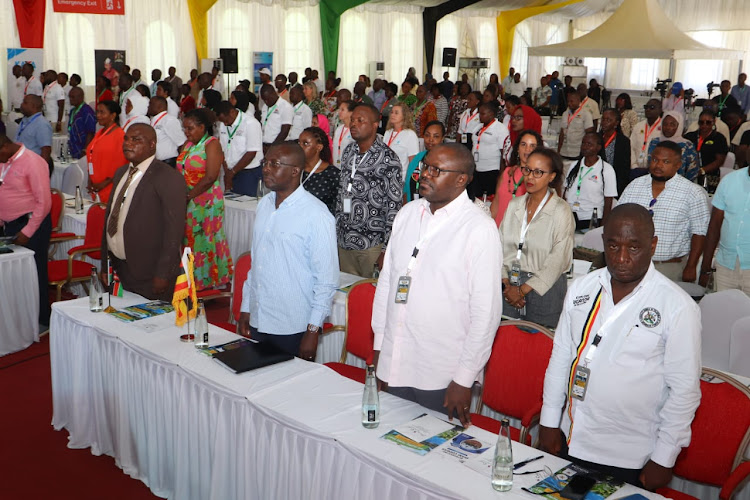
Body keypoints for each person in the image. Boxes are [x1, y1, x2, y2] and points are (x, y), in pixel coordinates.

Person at [540, 203, 701, 490]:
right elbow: (561, 356)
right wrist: (550, 420)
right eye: (613, 246)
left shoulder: (677, 306)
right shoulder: (582, 288)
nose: (622, 258)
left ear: (652, 245)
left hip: (632, 455)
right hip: (572, 437)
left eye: (634, 248)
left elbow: (684, 391)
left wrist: (664, 458)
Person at [372, 142, 502, 425]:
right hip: (395, 358)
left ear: (461, 180)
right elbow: (387, 283)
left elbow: (486, 314)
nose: (425, 175)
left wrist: (464, 379)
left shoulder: (478, 229)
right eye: (424, 167)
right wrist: (380, 344)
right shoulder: (408, 213)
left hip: (441, 372)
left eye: (436, 170)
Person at [238, 141, 338, 359]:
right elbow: (257, 265)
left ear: (295, 171)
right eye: (266, 162)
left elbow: (326, 280)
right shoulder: (264, 205)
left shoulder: (317, 215)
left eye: (275, 164)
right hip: (259, 315)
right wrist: (247, 307)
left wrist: (313, 330)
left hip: (292, 326)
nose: (265, 168)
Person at [101, 124, 187, 301]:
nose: (128, 144)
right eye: (126, 139)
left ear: (152, 145)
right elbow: (111, 219)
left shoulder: (168, 177)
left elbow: (174, 231)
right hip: (119, 269)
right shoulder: (121, 173)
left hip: (149, 273)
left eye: (136, 140)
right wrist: (105, 265)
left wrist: (163, 273)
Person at [500, 148, 573, 327]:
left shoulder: (560, 210)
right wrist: (506, 284)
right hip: (509, 285)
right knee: (508, 342)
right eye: (527, 170)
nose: (530, 177)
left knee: (538, 346)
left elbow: (558, 260)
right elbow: (498, 247)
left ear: (551, 177)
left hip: (544, 289)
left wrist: (522, 290)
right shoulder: (514, 205)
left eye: (538, 172)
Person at [619, 141, 710, 282]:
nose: (658, 165)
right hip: (633, 265)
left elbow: (699, 233)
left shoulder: (693, 192)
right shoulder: (634, 186)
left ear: (678, 165)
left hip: (670, 268)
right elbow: (618, 219)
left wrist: (691, 266)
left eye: (666, 162)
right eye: (655, 160)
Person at [336, 104, 402, 277]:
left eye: (360, 120)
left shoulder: (388, 159)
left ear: (375, 124)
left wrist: (386, 250)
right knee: (346, 297)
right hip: (344, 241)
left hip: (371, 244)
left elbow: (394, 208)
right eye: (352, 120)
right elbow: (342, 194)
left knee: (368, 298)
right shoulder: (349, 151)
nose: (353, 124)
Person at [177, 109, 233, 290]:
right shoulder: (188, 145)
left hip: (206, 202)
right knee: (190, 241)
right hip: (188, 200)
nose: (187, 132)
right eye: (185, 128)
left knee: (206, 241)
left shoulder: (212, 144)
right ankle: (193, 280)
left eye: (190, 128)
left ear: (202, 127)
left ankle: (209, 283)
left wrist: (189, 196)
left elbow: (210, 176)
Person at [0, 133, 52, 327]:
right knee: (13, 274)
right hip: (9, 224)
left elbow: (44, 203)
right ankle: (19, 317)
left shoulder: (33, 162)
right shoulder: (4, 160)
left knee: (34, 273)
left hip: (31, 225)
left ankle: (41, 319)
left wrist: (28, 231)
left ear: (4, 148)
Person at [700, 165, 750, 296]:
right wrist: (705, 268)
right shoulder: (730, 180)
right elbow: (714, 226)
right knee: (724, 314)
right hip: (725, 266)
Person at [563, 132, 617, 230]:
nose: (585, 147)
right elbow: (565, 192)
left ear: (598, 147)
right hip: (569, 216)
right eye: (583, 143)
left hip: (591, 219)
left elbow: (608, 201)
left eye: (589, 144)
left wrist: (602, 227)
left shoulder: (606, 170)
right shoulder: (574, 165)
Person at [490, 129, 539, 226]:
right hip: (498, 229)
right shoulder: (507, 172)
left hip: (519, 234)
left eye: (532, 146)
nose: (527, 149)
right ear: (517, 148)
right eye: (523, 144)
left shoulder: (539, 178)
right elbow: (496, 202)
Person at [215, 100, 263, 196]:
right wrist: (227, 172)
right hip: (230, 172)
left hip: (248, 173)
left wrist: (232, 172)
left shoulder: (251, 123)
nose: (224, 124)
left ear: (232, 112)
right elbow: (222, 149)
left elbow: (251, 153)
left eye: (226, 120)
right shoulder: (223, 125)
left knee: (247, 206)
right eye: (222, 121)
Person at [87, 101, 128, 203]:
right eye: (97, 112)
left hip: (110, 187)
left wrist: (104, 183)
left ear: (113, 115)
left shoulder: (120, 135)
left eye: (102, 112)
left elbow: (122, 165)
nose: (98, 115)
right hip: (96, 187)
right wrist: (90, 180)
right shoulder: (100, 133)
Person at [470, 101, 509, 200]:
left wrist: (501, 173)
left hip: (491, 169)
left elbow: (503, 153)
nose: (479, 116)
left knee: (490, 198)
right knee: (476, 198)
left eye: (483, 114)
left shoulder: (500, 129)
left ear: (491, 114)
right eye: (479, 113)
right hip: (476, 168)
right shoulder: (478, 127)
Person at [646, 111, 699, 182]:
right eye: (665, 124)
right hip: (656, 182)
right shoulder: (655, 142)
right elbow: (650, 164)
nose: (668, 127)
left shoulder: (687, 145)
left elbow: (693, 170)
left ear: (679, 126)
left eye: (672, 124)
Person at [684, 110, 728, 194]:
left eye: (708, 122)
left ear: (714, 122)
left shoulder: (719, 138)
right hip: (689, 174)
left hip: (710, 175)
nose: (704, 125)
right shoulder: (690, 136)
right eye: (701, 122)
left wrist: (702, 171)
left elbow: (720, 160)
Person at [298, 127, 340, 215]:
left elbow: (339, 209)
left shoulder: (333, 174)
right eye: (299, 143)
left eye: (305, 143)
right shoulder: (294, 170)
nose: (299, 147)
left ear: (319, 147)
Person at [403, 120, 444, 202]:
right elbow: (407, 184)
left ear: (442, 138)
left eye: (435, 136)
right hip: (413, 207)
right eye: (427, 135)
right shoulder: (419, 157)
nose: (430, 140)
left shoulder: (446, 161)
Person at [599, 108, 632, 196]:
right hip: (596, 180)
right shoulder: (596, 138)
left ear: (616, 123)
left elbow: (625, 169)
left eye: (608, 120)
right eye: (603, 119)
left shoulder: (623, 141)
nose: (604, 122)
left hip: (615, 182)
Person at [383, 102, 419, 178]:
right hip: (385, 175)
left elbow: (413, 162)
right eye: (392, 112)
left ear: (404, 116)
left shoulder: (410, 134)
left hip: (401, 177)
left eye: (396, 113)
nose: (392, 115)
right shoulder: (388, 132)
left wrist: (409, 181)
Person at [148, 96, 186, 168]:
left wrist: (181, 165)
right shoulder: (154, 120)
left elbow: (181, 143)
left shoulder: (169, 120)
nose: (148, 106)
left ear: (159, 106)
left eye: (151, 104)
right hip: (156, 162)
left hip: (168, 163)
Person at [16, 95, 52, 168]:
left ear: (33, 106)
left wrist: (40, 171)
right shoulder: (24, 121)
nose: (21, 105)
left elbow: (46, 150)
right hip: (20, 164)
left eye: (25, 102)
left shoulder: (42, 124)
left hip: (31, 167)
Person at [630, 98, 663, 178]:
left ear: (660, 110)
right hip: (636, 169)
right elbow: (631, 146)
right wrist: (634, 165)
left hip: (655, 170)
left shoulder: (664, 127)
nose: (648, 110)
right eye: (646, 107)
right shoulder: (638, 126)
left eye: (652, 107)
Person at [558, 91, 594, 163]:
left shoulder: (586, 114)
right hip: (564, 151)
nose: (569, 103)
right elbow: (562, 133)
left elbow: (589, 134)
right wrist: (558, 150)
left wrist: (585, 152)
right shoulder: (565, 114)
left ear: (578, 101)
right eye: (568, 101)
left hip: (577, 152)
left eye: (572, 101)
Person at [259, 83, 293, 151]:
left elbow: (285, 131)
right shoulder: (265, 107)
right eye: (264, 100)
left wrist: (273, 147)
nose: (266, 102)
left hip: (278, 146)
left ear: (274, 93)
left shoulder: (285, 107)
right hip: (264, 145)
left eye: (268, 99)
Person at [67, 87, 97, 159]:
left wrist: (85, 150)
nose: (70, 99)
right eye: (69, 97)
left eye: (73, 97)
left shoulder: (87, 111)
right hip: (73, 147)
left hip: (82, 148)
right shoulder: (72, 111)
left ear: (81, 97)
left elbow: (90, 132)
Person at [332, 100, 355, 168]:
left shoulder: (354, 130)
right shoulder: (339, 129)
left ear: (351, 112)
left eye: (342, 110)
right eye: (339, 109)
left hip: (348, 167)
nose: (339, 112)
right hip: (336, 165)